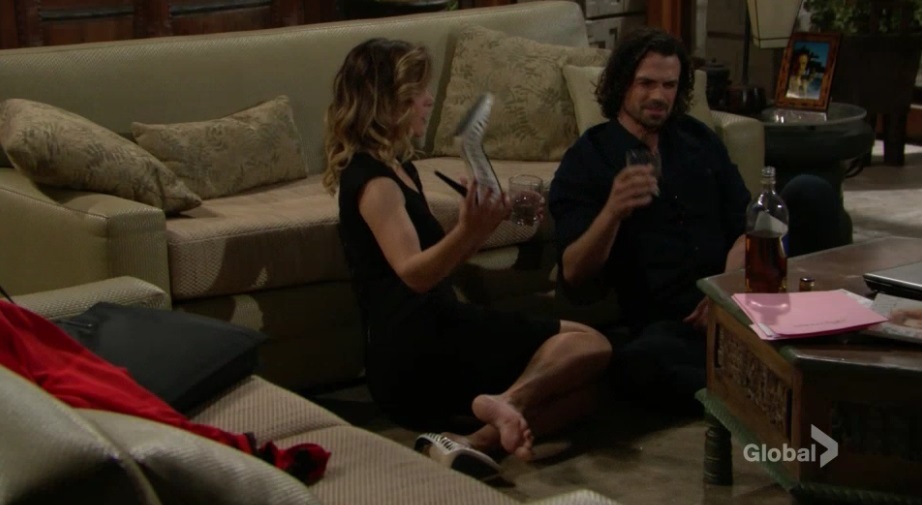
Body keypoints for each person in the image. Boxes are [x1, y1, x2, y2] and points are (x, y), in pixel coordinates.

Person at [322, 38, 612, 463]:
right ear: (387, 100)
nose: (428, 100)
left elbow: (438, 256)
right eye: (418, 91)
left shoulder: (399, 167)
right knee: (593, 344)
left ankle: (471, 442)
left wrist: (489, 221)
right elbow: (415, 274)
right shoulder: (374, 181)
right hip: (416, 350)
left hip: (436, 329)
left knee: (588, 392)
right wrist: (467, 228)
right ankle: (506, 403)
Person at [548, 27, 846, 414]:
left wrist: (725, 294)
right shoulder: (589, 157)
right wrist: (613, 211)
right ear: (622, 84)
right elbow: (574, 274)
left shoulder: (697, 139)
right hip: (675, 324)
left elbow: (748, 227)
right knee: (635, 365)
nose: (659, 96)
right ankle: (759, 377)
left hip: (738, 297)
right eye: (646, 83)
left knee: (810, 191)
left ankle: (796, 348)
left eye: (669, 85)